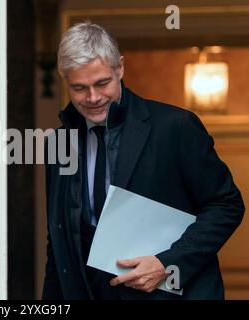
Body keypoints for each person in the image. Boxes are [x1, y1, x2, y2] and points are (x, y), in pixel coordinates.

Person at [42, 22, 245, 300]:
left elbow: (226, 205)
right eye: (79, 88)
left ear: (120, 68)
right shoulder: (57, 143)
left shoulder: (176, 126)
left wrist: (168, 264)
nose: (93, 97)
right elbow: (59, 242)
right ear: (65, 80)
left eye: (102, 83)